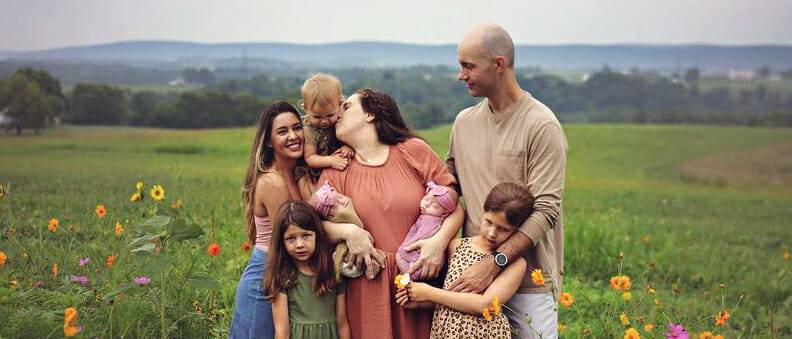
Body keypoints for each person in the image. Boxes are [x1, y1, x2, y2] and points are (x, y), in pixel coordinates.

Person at [446, 24, 568, 339]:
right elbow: (448, 188)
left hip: (530, 283)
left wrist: (497, 261)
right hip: (473, 280)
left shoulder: (541, 126)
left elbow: (546, 211)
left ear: (498, 64)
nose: (462, 75)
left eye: (468, 66)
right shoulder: (464, 123)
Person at [317, 88, 464, 338]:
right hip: (365, 287)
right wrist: (348, 231)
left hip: (418, 283)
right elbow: (312, 226)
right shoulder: (336, 169)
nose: (337, 114)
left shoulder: (412, 151)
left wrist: (438, 244)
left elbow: (455, 207)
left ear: (371, 114)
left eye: (347, 107)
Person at [395, 182, 534, 339]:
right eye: (488, 222)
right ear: (483, 212)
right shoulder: (456, 245)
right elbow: (450, 295)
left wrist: (429, 293)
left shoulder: (514, 264)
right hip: (445, 332)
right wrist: (420, 299)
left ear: (518, 230)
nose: (492, 233)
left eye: (503, 229)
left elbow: (486, 305)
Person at [230, 101, 307, 338]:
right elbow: (292, 237)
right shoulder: (272, 183)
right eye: (282, 131)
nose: (293, 136)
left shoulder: (298, 174)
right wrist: (348, 233)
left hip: (286, 274)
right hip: (265, 279)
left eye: (297, 127)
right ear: (269, 142)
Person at [264, 200, 351, 339]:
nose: (300, 244)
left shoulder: (333, 271)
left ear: (317, 234)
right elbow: (282, 332)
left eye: (306, 236)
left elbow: (342, 323)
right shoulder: (282, 277)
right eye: (291, 238)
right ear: (282, 242)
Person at [310, 180, 384, 282]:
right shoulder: (338, 218)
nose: (342, 201)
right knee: (344, 256)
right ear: (329, 216)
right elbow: (315, 226)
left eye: (340, 196)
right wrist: (348, 231)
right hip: (350, 247)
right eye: (336, 205)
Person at [395, 181, 459, 279]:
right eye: (426, 199)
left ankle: (409, 275)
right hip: (430, 262)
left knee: (399, 257)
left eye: (434, 206)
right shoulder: (431, 218)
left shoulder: (429, 221)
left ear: (445, 213)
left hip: (420, 262)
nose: (426, 205)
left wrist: (404, 250)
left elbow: (420, 237)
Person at [299, 73, 355, 183]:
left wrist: (348, 147)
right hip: (317, 174)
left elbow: (354, 138)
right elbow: (310, 157)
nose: (324, 121)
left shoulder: (343, 119)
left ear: (340, 105)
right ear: (305, 109)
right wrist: (331, 161)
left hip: (342, 168)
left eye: (330, 115)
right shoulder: (309, 130)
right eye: (317, 117)